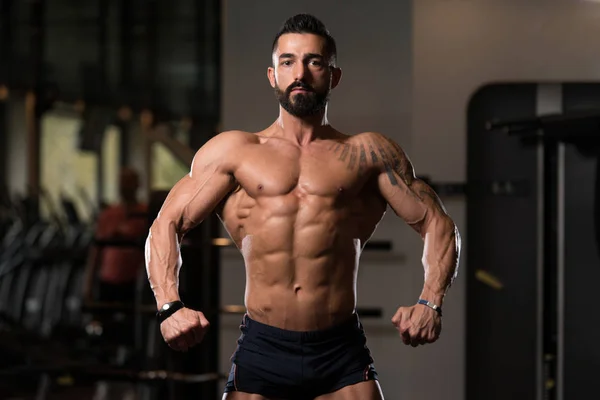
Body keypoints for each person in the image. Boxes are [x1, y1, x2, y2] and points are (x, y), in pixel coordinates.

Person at [145, 14, 461, 400]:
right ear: (272, 75)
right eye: (288, 61)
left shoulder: (368, 153)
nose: (300, 72)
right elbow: (166, 224)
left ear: (333, 75)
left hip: (340, 349)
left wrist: (431, 301)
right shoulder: (234, 153)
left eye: (314, 61)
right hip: (262, 347)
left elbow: (437, 222)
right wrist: (168, 305)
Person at [84, 166, 148, 305]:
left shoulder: (145, 214)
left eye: (128, 182)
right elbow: (96, 252)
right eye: (122, 183)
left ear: (137, 185)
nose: (125, 187)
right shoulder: (108, 214)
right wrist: (88, 285)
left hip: (134, 281)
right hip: (108, 280)